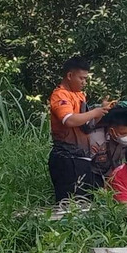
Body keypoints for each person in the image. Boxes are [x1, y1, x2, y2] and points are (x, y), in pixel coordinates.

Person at [48, 56, 113, 202]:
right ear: (70, 76)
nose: (84, 82)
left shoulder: (80, 95)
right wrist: (94, 112)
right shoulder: (60, 95)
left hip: (81, 155)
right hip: (65, 156)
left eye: (85, 79)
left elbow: (87, 126)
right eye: (81, 78)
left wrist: (101, 111)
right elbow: (69, 120)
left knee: (84, 199)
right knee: (69, 202)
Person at [91, 112, 127, 179]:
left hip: (115, 176)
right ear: (111, 131)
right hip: (95, 175)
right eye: (123, 133)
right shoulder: (95, 140)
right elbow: (84, 164)